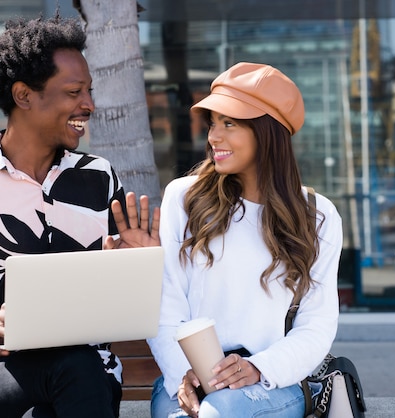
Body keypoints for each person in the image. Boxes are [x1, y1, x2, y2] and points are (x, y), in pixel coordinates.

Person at [0, 14, 159, 418]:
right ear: (25, 96)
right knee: (66, 376)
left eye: (89, 91)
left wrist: (141, 263)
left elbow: (127, 301)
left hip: (87, 366)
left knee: (78, 369)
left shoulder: (99, 178)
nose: (89, 105)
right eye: (74, 92)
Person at [147, 61, 343, 418]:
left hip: (270, 383)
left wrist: (259, 368)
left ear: (268, 132)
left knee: (217, 413)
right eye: (212, 123)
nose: (213, 137)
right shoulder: (184, 197)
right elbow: (165, 304)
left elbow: (316, 325)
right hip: (185, 378)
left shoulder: (318, 216)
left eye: (230, 123)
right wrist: (184, 374)